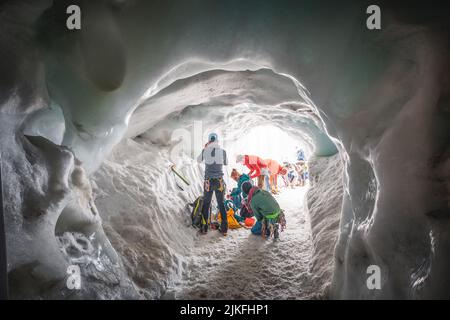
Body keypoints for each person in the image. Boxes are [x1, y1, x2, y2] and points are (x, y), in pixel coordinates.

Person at [197, 133, 228, 235]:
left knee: (206, 203)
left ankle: (204, 227)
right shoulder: (223, 152)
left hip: (208, 181)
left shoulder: (205, 151)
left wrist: (206, 148)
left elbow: (198, 160)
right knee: (221, 204)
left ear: (209, 141)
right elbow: (226, 163)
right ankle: (224, 229)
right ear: (217, 141)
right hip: (219, 181)